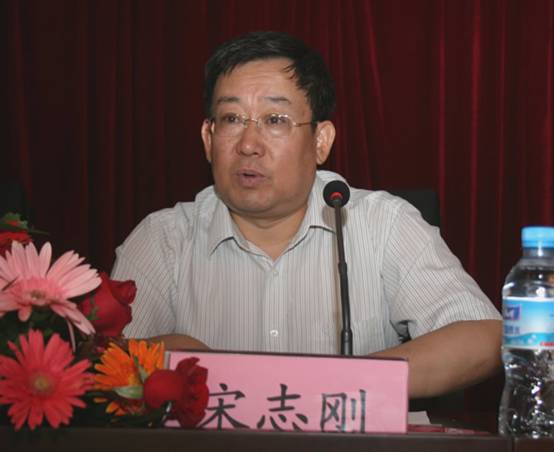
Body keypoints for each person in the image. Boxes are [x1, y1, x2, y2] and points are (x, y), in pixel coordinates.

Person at [112, 31, 502, 399]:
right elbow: (104, 366)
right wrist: (171, 360)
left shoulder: (384, 224)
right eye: (231, 119)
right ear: (208, 138)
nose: (248, 145)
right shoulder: (162, 239)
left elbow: (482, 337)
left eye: (275, 120)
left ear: (320, 141)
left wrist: (335, 385)